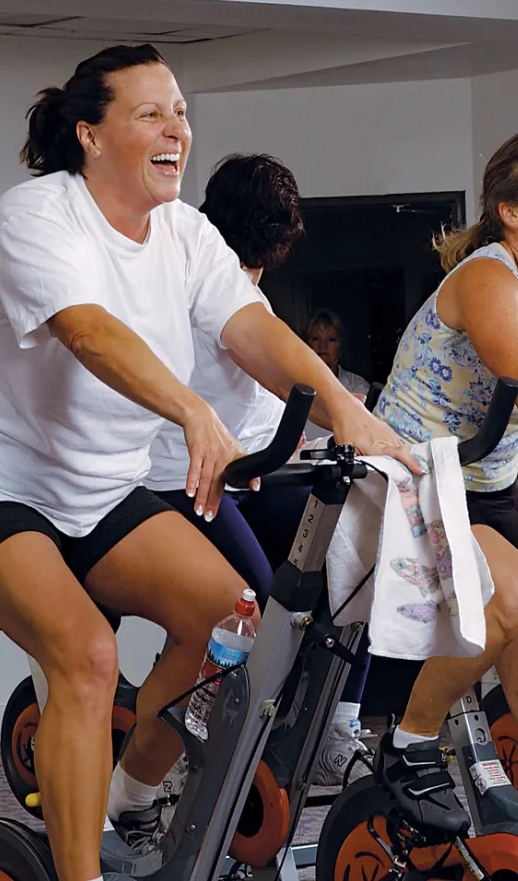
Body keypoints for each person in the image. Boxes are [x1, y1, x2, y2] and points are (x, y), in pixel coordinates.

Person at [0, 43, 414, 881]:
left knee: (232, 619)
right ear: (91, 135)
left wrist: (356, 419)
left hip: (96, 487)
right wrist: (190, 409)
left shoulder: (185, 232)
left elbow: (255, 333)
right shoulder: (36, 216)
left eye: (180, 110)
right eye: (150, 112)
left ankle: (131, 798)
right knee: (84, 655)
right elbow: (88, 329)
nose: (176, 127)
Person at [147, 153, 372, 787]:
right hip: (185, 482)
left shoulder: (253, 294)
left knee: (353, 558)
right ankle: (216, 743)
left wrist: (340, 418)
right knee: (252, 602)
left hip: (256, 475)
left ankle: (333, 725)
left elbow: (275, 392)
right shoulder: (197, 287)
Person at [372, 132, 518, 837]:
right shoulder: (489, 274)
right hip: (418, 480)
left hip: (489, 477)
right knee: (508, 603)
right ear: (511, 211)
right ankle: (411, 743)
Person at [305, 308, 370, 397]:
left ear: (341, 349)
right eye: (316, 339)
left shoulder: (358, 387)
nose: (323, 345)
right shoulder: (294, 382)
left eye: (331, 340)